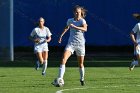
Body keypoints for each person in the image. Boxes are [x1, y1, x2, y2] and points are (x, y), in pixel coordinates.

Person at [53, 5, 87, 86]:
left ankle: (82, 79)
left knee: (80, 64)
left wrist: (75, 27)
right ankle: (60, 78)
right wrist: (61, 36)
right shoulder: (70, 20)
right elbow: (66, 28)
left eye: (78, 12)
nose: (77, 13)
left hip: (80, 45)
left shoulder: (82, 21)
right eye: (75, 12)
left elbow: (85, 29)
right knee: (63, 59)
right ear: (73, 12)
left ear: (80, 12)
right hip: (71, 44)